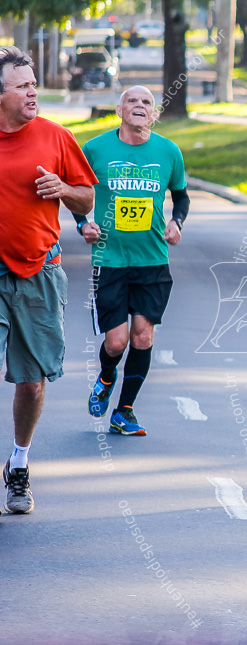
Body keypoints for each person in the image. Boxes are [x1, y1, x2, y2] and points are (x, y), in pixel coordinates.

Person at [0, 47, 97, 514]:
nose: (33, 91)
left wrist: (64, 190)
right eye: (23, 86)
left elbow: (85, 199)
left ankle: (18, 463)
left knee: (33, 382)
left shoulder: (56, 137)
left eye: (34, 83)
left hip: (40, 271)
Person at [75, 85, 189, 436]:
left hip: (152, 260)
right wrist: (83, 224)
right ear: (119, 111)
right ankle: (107, 375)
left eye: (147, 103)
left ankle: (124, 411)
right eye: (132, 101)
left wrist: (176, 222)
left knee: (143, 336)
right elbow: (75, 193)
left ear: (154, 114)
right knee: (117, 342)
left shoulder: (168, 151)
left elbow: (181, 196)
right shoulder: (95, 149)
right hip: (109, 260)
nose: (139, 106)